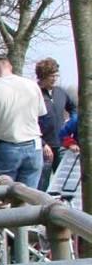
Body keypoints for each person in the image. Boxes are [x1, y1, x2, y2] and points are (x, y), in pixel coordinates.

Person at [0, 52, 51, 187]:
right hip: (34, 146)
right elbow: (44, 119)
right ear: (10, 66)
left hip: (8, 146)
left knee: (2, 197)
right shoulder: (32, 86)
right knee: (29, 196)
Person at [35, 57, 76, 190]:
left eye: (56, 75)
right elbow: (28, 121)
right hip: (43, 148)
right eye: (51, 75)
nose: (54, 78)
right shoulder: (35, 93)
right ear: (42, 76)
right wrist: (42, 143)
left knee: (63, 185)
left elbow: (73, 108)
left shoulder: (61, 92)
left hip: (62, 146)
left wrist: (70, 124)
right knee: (42, 187)